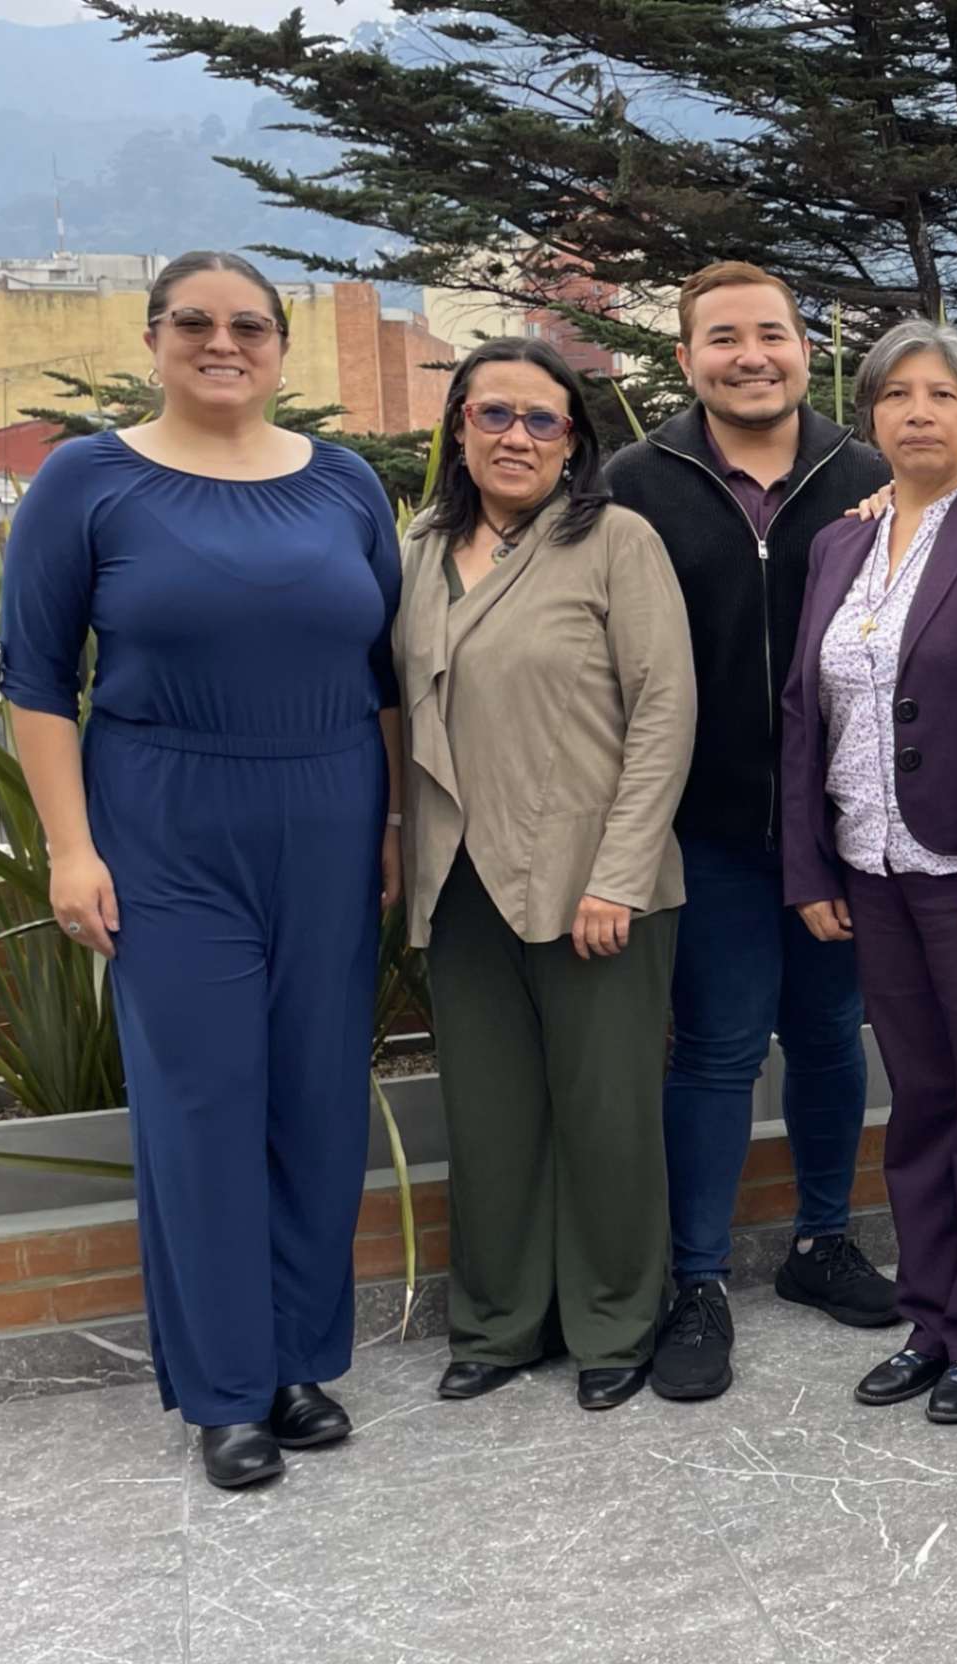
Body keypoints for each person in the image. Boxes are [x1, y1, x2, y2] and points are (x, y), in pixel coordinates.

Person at [0, 250, 403, 1491]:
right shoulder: (88, 479)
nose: (221, 343)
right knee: (203, 1102)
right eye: (195, 323)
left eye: (247, 325)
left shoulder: (345, 483)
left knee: (318, 1098)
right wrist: (72, 847)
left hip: (332, 814)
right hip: (166, 823)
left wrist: (389, 825)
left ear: (281, 346)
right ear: (154, 336)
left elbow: (385, 671)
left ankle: (297, 1358)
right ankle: (225, 1388)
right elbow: (33, 676)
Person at [605, 262, 896, 1404]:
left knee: (830, 1035)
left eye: (769, 333)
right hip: (709, 823)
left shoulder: (865, 472)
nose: (749, 354)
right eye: (722, 337)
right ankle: (697, 1279)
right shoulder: (635, 483)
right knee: (718, 1048)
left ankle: (820, 1241)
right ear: (685, 359)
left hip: (840, 827)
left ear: (803, 349)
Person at [397, 339, 696, 1413]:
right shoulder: (420, 544)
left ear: (575, 443)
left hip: (592, 879)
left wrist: (617, 874)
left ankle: (617, 1317)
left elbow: (665, 713)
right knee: (490, 1116)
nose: (516, 437)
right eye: (495, 415)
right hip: (460, 876)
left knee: (607, 1111)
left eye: (542, 420)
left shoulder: (615, 541)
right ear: (459, 427)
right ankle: (498, 1321)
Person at [780, 321, 957, 1426]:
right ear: (870, 417)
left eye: (940, 395)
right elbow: (806, 708)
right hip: (869, 863)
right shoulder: (839, 546)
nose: (916, 413)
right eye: (895, 395)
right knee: (920, 1103)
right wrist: (809, 860)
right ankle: (930, 1312)